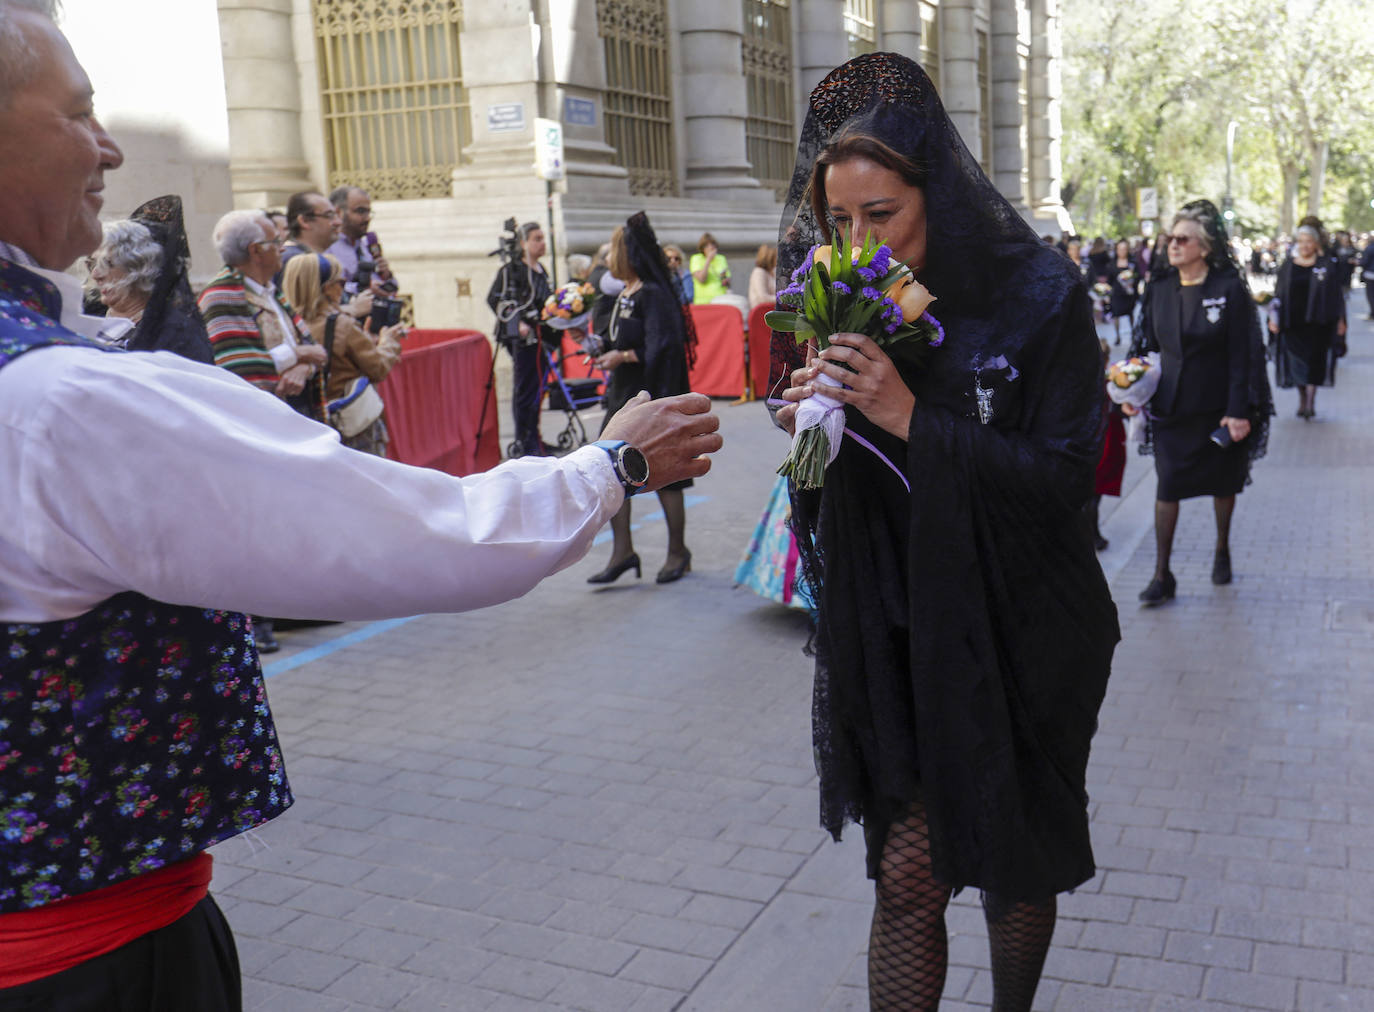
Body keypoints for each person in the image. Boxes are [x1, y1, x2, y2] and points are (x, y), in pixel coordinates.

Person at [0, 4, 723, 1004]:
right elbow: (393, 529)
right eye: (78, 113)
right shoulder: (53, 402)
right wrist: (607, 467)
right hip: (89, 964)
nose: (109, 145)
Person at [771, 53, 1118, 1011]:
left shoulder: (1041, 296)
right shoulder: (826, 292)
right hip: (899, 629)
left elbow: (1063, 484)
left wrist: (913, 418)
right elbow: (805, 491)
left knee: (1015, 869)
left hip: (1024, 633)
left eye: (880, 216)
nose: (857, 241)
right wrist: (804, 422)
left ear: (940, 192)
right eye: (839, 219)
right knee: (909, 880)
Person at [1127, 200, 1272, 604]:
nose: (1173, 245)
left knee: (1223, 484)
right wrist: (1131, 391)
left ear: (1204, 248)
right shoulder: (1157, 289)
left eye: (1182, 239)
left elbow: (1244, 354)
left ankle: (1222, 549)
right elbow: (1146, 349)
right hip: (1171, 409)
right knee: (1167, 488)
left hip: (1218, 411)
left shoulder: (1228, 291)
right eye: (1169, 239)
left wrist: (1239, 411)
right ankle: (1162, 574)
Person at [589, 212, 698, 585]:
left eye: (613, 250)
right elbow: (620, 338)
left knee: (666, 476)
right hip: (620, 394)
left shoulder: (653, 293)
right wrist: (600, 346)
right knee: (610, 469)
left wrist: (622, 356)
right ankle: (622, 552)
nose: (607, 258)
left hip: (652, 393)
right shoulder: (624, 292)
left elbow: (662, 346)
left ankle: (677, 551)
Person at [199, 209, 329, 424]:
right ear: (256, 250)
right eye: (276, 241)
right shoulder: (221, 298)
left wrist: (302, 368)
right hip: (260, 421)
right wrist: (297, 353)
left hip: (297, 413)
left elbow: (317, 354)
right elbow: (238, 370)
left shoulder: (270, 291)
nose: (282, 247)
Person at [281, 252, 404, 456]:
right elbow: (378, 368)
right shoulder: (342, 325)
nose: (344, 288)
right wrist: (388, 342)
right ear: (327, 288)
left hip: (306, 428)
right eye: (341, 282)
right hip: (352, 428)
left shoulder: (284, 325)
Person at [83, 194, 213, 362]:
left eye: (108, 263)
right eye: (92, 264)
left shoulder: (174, 333)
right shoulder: (89, 314)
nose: (95, 275)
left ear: (138, 268)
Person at [485, 221, 556, 456]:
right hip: (522, 340)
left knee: (538, 388)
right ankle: (524, 441)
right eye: (537, 239)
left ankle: (535, 436)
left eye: (543, 238)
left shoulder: (541, 270)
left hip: (543, 337)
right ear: (523, 243)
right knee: (525, 389)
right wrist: (518, 322)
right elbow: (495, 299)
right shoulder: (511, 271)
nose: (542, 243)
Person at [1270, 223, 1346, 419]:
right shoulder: (1288, 266)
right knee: (1297, 365)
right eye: (1301, 241)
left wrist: (1341, 320)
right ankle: (1302, 397)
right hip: (1292, 323)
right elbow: (1277, 294)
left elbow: (1336, 295)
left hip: (1319, 323)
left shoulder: (1326, 265)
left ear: (1315, 243)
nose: (1304, 246)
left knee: (1315, 363)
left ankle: (1310, 402)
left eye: (1308, 242)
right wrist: (1273, 318)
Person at [327, 184, 397, 297]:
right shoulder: (328, 248)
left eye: (368, 212)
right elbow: (330, 290)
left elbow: (392, 289)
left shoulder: (366, 246)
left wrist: (387, 276)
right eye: (360, 211)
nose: (367, 218)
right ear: (338, 212)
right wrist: (365, 289)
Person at [1107, 237, 1139, 345]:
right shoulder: (1112, 263)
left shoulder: (1132, 263)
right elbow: (1109, 279)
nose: (1122, 251)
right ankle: (1117, 336)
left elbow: (1138, 276)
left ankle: (1133, 334)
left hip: (1128, 293)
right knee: (1116, 314)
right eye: (1120, 249)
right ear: (1116, 250)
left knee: (1130, 313)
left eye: (1124, 249)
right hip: (1116, 293)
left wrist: (1132, 283)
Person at [689, 231, 730, 304]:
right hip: (703, 302)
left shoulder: (721, 258)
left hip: (721, 300)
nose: (711, 247)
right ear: (702, 248)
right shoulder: (696, 258)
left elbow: (726, 280)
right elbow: (702, 279)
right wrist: (708, 260)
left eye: (713, 244)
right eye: (707, 245)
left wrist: (725, 280)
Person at [749, 243, 778, 310]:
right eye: (777, 256)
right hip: (761, 311)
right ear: (770, 257)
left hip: (771, 309)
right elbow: (763, 297)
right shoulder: (759, 272)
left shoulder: (771, 272)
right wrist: (783, 298)